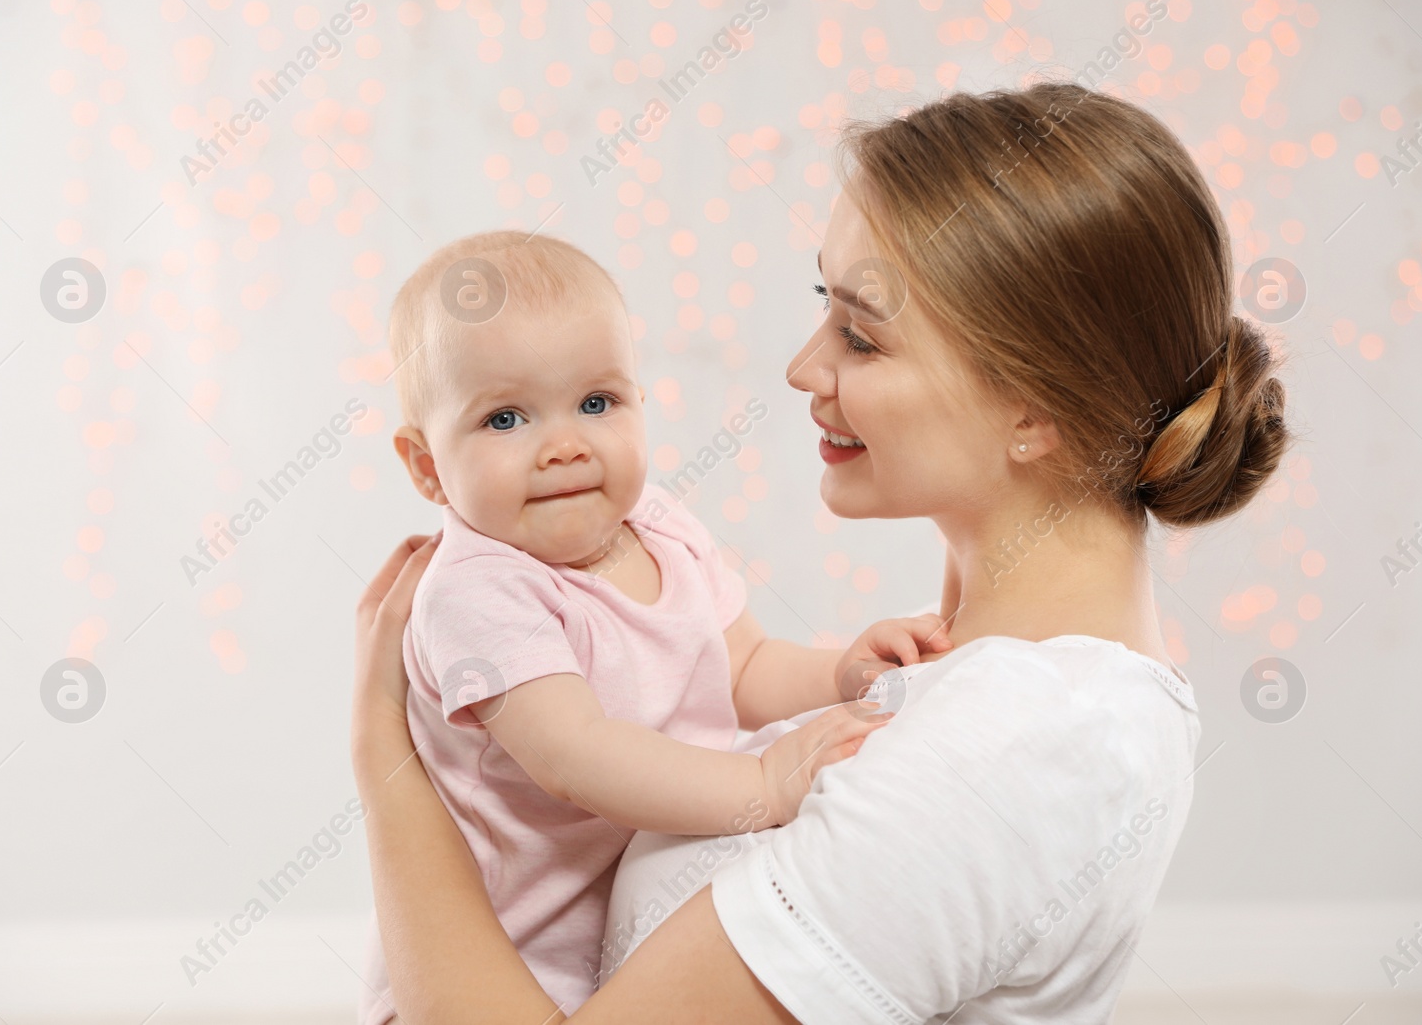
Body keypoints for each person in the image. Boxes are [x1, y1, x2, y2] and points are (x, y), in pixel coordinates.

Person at [351, 82, 1291, 1023]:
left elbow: (714, 681)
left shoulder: (1009, 748)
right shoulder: (997, 694)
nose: (803, 367)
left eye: (862, 337)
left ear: (1033, 412)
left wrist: (387, 761)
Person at [356, 230, 952, 1023]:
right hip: (509, 963)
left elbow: (742, 668)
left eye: (596, 402)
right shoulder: (475, 590)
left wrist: (839, 670)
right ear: (427, 465)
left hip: (631, 942)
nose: (564, 445)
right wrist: (762, 784)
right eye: (506, 418)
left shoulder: (660, 523)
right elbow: (577, 755)